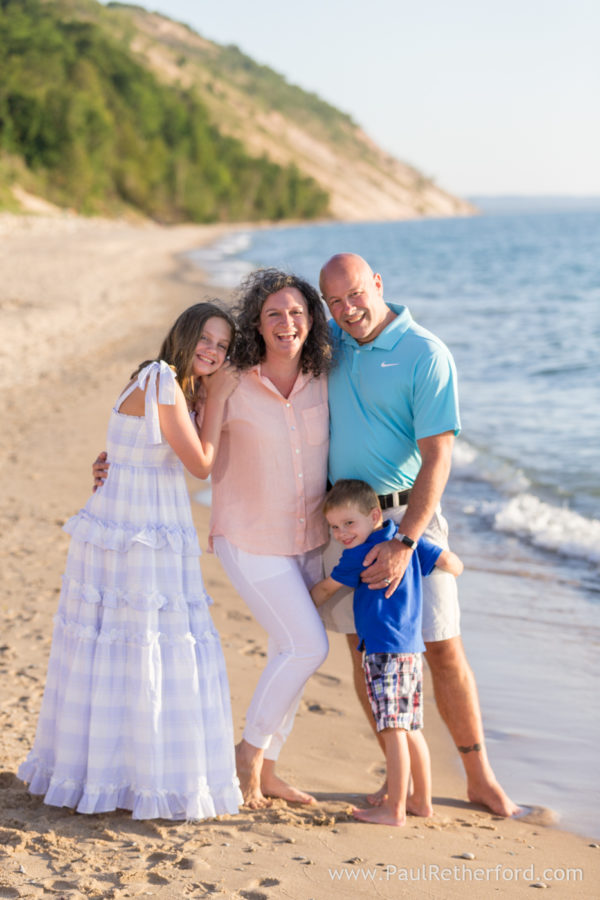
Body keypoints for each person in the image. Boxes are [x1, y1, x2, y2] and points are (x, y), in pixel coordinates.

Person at [20, 302, 243, 820]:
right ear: (183, 335)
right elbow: (202, 465)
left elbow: (126, 454)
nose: (213, 351)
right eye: (206, 339)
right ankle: (116, 777)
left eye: (223, 346)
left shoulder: (166, 383)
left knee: (133, 649)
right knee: (137, 646)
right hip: (135, 535)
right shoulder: (163, 377)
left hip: (136, 528)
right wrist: (221, 395)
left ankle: (123, 775)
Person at [318, 253, 520, 818]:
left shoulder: (425, 353)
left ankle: (480, 778)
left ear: (377, 284)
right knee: (366, 650)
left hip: (411, 520)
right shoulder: (328, 345)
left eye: (355, 294)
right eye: (334, 301)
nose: (347, 310)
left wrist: (406, 542)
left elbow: (438, 457)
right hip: (349, 524)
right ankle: (399, 777)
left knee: (442, 647)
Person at [209, 268, 332, 809]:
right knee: (307, 645)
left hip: (309, 538)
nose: (288, 323)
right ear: (256, 324)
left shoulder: (325, 377)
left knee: (292, 651)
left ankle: (270, 767)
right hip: (249, 536)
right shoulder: (230, 380)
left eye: (298, 312)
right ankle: (248, 756)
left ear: (312, 319)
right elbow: (175, 429)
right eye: (274, 314)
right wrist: (112, 458)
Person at [311, 479, 464, 826]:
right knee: (410, 728)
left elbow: (325, 589)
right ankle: (421, 802)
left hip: (383, 650)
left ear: (374, 515)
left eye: (349, 523)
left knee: (393, 728)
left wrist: (297, 608)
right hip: (410, 649)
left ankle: (394, 809)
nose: (342, 534)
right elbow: (449, 561)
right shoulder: (406, 543)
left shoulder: (357, 556)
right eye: (334, 527)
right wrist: (457, 569)